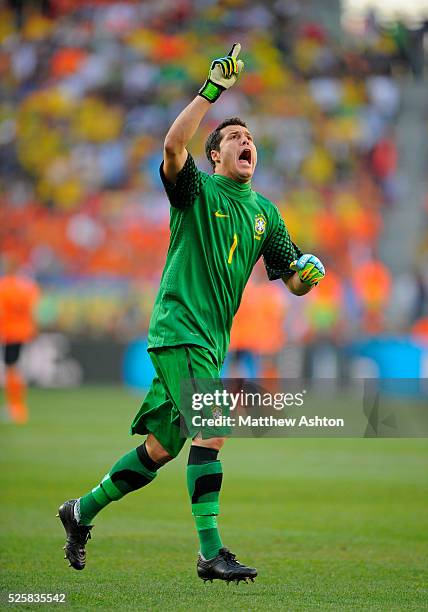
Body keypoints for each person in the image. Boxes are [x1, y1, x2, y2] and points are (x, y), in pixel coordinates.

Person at [58, 44, 325, 584]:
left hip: (208, 339)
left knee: (161, 449)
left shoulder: (266, 213)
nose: (245, 142)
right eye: (233, 138)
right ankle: (210, 553)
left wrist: (308, 276)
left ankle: (79, 511)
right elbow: (173, 144)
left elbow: (291, 279)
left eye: (249, 138)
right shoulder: (197, 191)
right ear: (215, 157)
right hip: (179, 324)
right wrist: (212, 90)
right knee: (215, 425)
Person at [0, 257, 40, 424]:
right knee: (16, 369)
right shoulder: (28, 287)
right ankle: (16, 406)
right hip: (25, 332)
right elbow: (36, 306)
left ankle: (16, 407)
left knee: (11, 369)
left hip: (9, 332)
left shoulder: (4, 287)